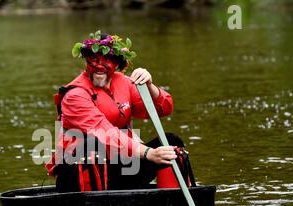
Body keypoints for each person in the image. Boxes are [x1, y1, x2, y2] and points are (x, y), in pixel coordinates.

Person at [46, 31, 192, 192]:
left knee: (171, 143)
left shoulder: (125, 83)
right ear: (86, 61)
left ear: (116, 64)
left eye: (106, 61)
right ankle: (99, 205)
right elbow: (105, 133)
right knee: (92, 145)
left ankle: (173, 200)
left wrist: (149, 86)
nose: (99, 67)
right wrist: (149, 153)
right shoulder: (74, 95)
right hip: (79, 177)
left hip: (121, 168)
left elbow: (164, 109)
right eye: (93, 61)